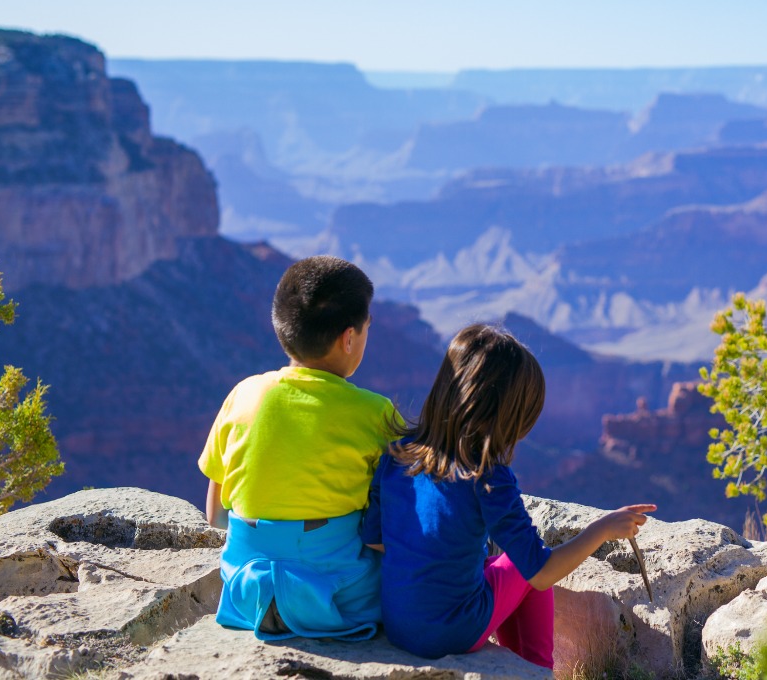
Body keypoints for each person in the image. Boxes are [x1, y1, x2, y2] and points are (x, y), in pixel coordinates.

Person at [361, 323, 654, 669]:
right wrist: (603, 528)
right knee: (523, 562)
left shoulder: (397, 455)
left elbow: (377, 542)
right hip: (453, 632)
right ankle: (536, 669)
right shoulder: (487, 477)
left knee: (495, 565)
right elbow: (541, 572)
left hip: (399, 626)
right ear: (508, 414)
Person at [198, 255, 401, 641]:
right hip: (341, 601)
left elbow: (215, 514)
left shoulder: (243, 395)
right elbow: (399, 519)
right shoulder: (376, 413)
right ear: (349, 337)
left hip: (247, 594)